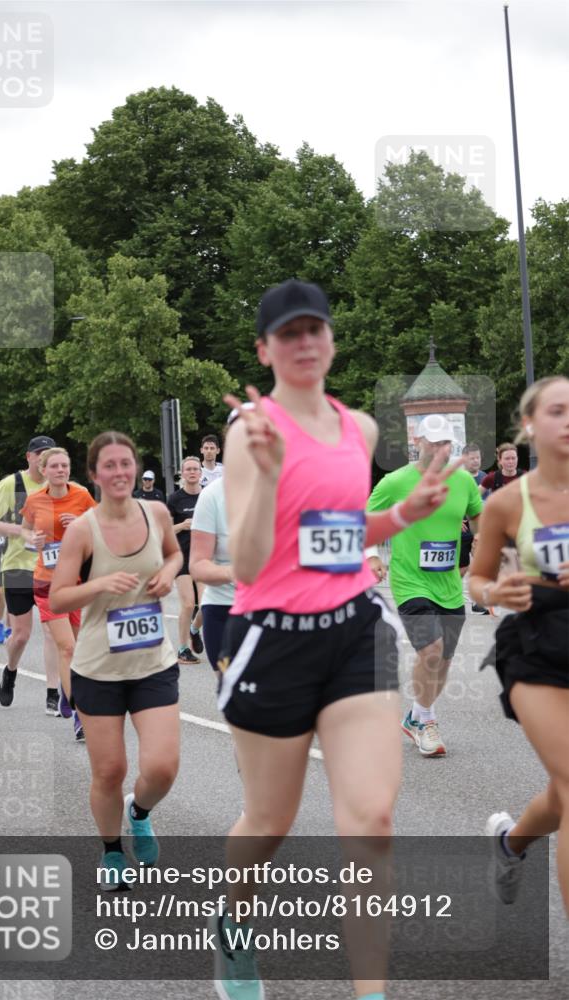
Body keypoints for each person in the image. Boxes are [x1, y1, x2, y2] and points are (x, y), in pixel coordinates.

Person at [214, 279, 463, 1000]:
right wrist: (264, 477)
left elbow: (338, 536)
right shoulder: (249, 433)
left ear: (329, 339)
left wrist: (402, 514)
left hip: (354, 628)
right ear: (264, 350)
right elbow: (255, 563)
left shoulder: (359, 429)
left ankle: (370, 993)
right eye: (286, 334)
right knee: (269, 818)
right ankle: (233, 927)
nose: (303, 343)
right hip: (272, 638)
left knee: (371, 818)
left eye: (313, 329)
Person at [49, 431, 182, 882]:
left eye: (126, 463)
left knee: (162, 766)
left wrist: (167, 571)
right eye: (109, 466)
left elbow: (175, 553)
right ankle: (110, 852)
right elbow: (60, 596)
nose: (120, 472)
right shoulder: (84, 531)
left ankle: (139, 812)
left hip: (152, 664)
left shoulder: (157, 512)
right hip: (99, 668)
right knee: (109, 771)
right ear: (95, 475)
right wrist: (100, 585)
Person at [469, 375, 569, 913]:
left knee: (562, 792)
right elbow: (478, 579)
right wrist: (496, 590)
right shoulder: (507, 502)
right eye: (557, 410)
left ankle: (511, 844)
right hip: (536, 648)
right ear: (529, 426)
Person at [366, 414, 482, 757]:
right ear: (417, 442)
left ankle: (416, 715)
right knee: (430, 650)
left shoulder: (463, 482)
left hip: (448, 583)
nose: (440, 449)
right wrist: (373, 556)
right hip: (410, 580)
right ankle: (427, 721)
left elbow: (477, 515)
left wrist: (482, 538)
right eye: (433, 443)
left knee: (443, 659)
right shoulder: (394, 482)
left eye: (445, 443)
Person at [20, 447, 96, 731]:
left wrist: (80, 525)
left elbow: (100, 527)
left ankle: (67, 690)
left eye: (65, 466)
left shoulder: (81, 495)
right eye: (55, 466)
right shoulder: (35, 500)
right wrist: (32, 541)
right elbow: (25, 531)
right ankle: (80, 714)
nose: (61, 470)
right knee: (67, 647)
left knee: (75, 649)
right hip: (47, 582)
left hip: (76, 582)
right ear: (44, 470)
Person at [0, 435, 60, 710]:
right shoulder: (12, 484)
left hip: (51, 566)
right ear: (29, 457)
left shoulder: (60, 486)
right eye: (39, 454)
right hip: (18, 566)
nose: (43, 460)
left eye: (48, 455)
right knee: (20, 635)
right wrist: (21, 531)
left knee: (53, 631)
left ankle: (52, 693)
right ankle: (10, 672)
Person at [188, 411, 251, 671]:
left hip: (274, 612)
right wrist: (232, 572)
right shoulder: (212, 495)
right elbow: (198, 565)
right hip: (224, 608)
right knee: (234, 700)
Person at [166, 456, 205, 664]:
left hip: (204, 557)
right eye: (188, 469)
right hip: (182, 556)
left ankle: (194, 629)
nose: (192, 472)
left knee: (207, 604)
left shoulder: (208, 496)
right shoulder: (174, 499)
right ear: (182, 473)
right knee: (189, 604)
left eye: (195, 469)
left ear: (200, 473)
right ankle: (182, 649)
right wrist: (182, 526)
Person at [459, 443, 488, 611]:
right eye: (472, 458)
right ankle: (451, 597)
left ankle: (480, 602)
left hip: (480, 530)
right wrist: (456, 519)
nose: (476, 461)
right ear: (464, 459)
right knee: (462, 569)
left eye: (478, 458)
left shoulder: (485, 477)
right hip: (462, 531)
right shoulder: (458, 478)